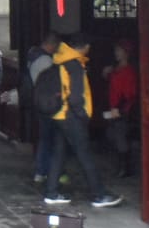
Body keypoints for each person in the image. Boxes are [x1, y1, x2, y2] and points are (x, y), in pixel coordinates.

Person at [43, 33, 124, 208]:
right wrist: (82, 115)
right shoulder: (75, 65)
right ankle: (99, 195)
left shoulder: (60, 60)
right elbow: (75, 98)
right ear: (84, 47)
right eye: (88, 47)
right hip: (71, 116)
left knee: (59, 153)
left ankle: (51, 192)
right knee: (85, 154)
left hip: (59, 114)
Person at [22, 30, 61, 186]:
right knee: (48, 139)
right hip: (46, 102)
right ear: (50, 44)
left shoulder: (33, 54)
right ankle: (45, 171)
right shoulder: (45, 61)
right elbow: (49, 83)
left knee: (45, 138)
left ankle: (42, 171)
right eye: (55, 46)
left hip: (37, 100)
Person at [102, 39, 139, 178]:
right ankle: (122, 166)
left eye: (119, 51)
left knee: (120, 137)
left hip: (123, 109)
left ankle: (125, 168)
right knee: (112, 135)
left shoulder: (129, 71)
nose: (116, 53)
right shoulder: (115, 70)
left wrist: (120, 108)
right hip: (113, 107)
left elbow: (130, 93)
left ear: (126, 53)